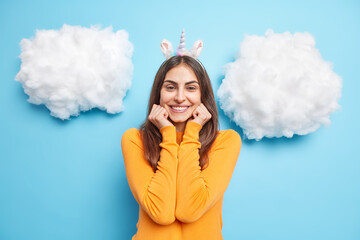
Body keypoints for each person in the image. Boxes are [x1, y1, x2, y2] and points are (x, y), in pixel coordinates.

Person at [121, 30, 241, 240]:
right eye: (170, 87)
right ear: (159, 92)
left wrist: (192, 131)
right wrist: (168, 134)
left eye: (191, 88)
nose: (179, 97)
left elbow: (189, 210)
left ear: (203, 95)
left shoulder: (226, 142)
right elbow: (161, 213)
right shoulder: (135, 140)